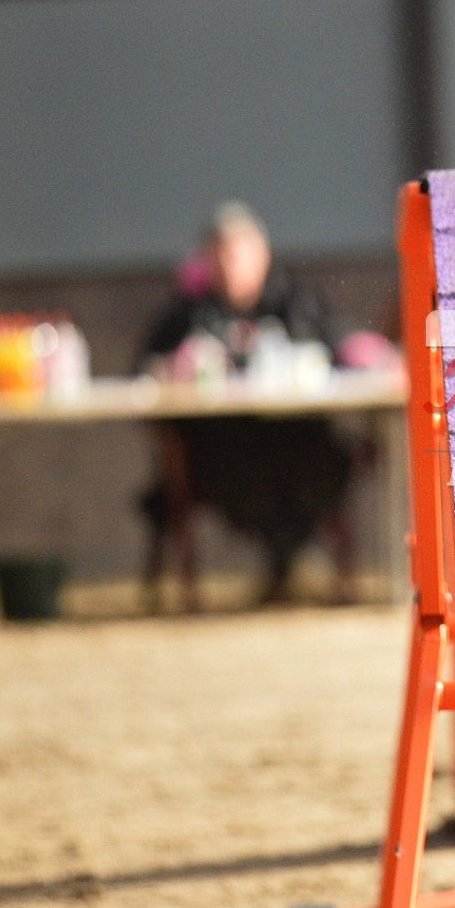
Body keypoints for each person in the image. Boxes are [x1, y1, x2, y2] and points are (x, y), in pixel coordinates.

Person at [137, 201, 361, 611]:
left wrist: (366, 353)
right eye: (220, 254)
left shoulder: (295, 299)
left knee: (325, 465)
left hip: (298, 441)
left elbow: (346, 346)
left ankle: (296, 567)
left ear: (263, 255)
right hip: (222, 451)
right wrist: (174, 366)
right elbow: (145, 370)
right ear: (206, 261)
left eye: (239, 253)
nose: (230, 265)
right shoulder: (189, 312)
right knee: (222, 471)